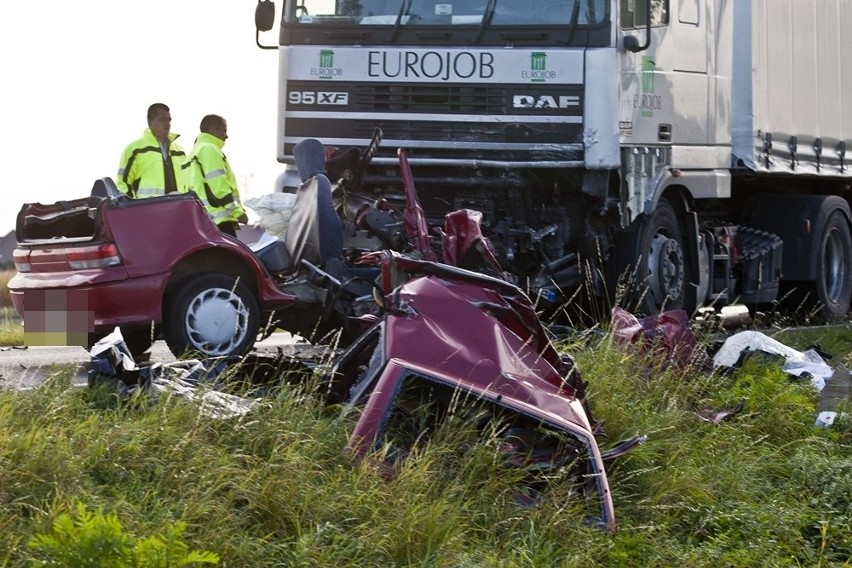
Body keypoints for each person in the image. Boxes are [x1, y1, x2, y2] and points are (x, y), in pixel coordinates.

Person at [183, 114, 247, 237]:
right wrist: (238, 213)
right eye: (224, 131)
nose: (226, 136)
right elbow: (219, 187)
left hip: (202, 220)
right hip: (219, 221)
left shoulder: (192, 154)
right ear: (213, 130)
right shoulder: (209, 150)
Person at [116, 103, 187, 198]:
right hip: (148, 210)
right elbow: (123, 183)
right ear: (150, 123)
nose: (167, 123)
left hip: (178, 209)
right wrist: (133, 208)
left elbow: (189, 181)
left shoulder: (179, 152)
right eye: (162, 119)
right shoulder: (136, 149)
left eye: (169, 119)